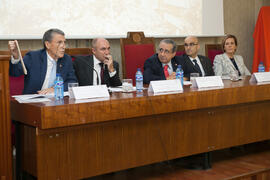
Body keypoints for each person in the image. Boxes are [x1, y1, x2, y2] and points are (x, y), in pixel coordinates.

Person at [9, 28, 77, 94]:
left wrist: (56, 88)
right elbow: (15, 73)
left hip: (56, 99)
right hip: (34, 100)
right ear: (47, 44)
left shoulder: (66, 59)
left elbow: (72, 81)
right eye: (59, 42)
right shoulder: (33, 57)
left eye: (64, 42)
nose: (63, 46)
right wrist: (16, 57)